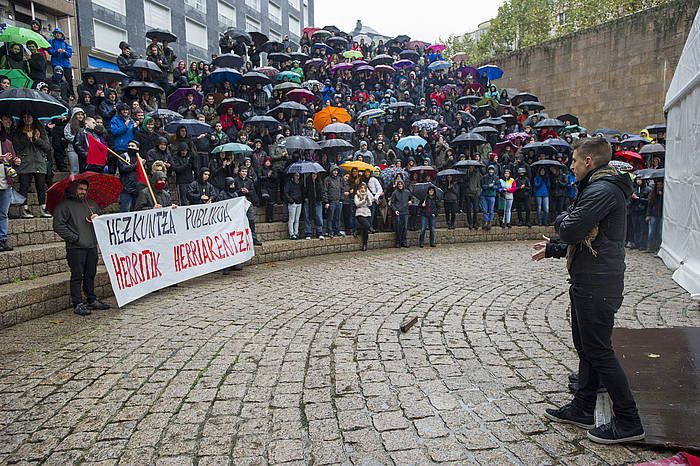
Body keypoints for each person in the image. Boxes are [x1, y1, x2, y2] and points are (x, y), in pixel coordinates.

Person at [532, 137, 644, 444]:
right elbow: (586, 237)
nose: (571, 166)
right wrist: (555, 249)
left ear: (589, 162)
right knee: (587, 346)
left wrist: (561, 223)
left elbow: (570, 228)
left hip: (598, 283)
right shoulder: (596, 188)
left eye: (574, 161)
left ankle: (629, 419)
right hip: (589, 279)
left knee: (599, 351)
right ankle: (583, 407)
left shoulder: (601, 190)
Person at [52, 179, 111, 316]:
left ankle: (91, 299)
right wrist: (75, 238)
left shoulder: (91, 204)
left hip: (91, 245)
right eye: (80, 189)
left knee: (90, 274)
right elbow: (58, 225)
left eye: (85, 189)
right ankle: (77, 302)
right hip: (76, 248)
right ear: (73, 189)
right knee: (77, 275)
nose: (83, 192)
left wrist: (97, 218)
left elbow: (101, 221)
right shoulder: (64, 205)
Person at [15, 113, 51, 218]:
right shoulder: (19, 131)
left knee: (40, 186)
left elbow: (47, 147)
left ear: (33, 118)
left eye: (29, 116)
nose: (27, 119)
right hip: (25, 162)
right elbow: (17, 146)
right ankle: (24, 209)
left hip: (39, 162)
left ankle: (43, 208)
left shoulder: (41, 130)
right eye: (24, 117)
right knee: (24, 186)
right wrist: (26, 138)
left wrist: (36, 139)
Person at [234, 166, 263, 246]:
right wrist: (240, 191)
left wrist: (247, 192)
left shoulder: (250, 181)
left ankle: (253, 238)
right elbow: (232, 191)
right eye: (243, 171)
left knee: (251, 220)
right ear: (239, 172)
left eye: (245, 172)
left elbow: (253, 192)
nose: (244, 173)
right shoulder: (235, 180)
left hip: (248, 202)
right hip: (238, 204)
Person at [47, 27, 74, 96]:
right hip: (56, 63)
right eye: (56, 33)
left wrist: (64, 52)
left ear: (62, 34)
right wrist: (57, 51)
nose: (58, 35)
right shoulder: (51, 41)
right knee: (56, 78)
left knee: (69, 79)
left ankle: (71, 94)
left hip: (66, 64)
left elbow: (69, 54)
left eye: (59, 33)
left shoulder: (66, 44)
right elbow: (50, 51)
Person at [303, 171, 325, 240]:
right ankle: (308, 233)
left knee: (319, 217)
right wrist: (305, 198)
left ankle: (319, 232)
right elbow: (303, 191)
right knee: (307, 217)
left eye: (315, 174)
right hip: (309, 201)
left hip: (318, 201)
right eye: (313, 174)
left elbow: (322, 191)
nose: (314, 175)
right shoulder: (306, 181)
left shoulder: (319, 182)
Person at [390, 178, 410, 248]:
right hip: (398, 212)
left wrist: (411, 202)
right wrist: (395, 210)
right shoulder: (394, 193)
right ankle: (398, 241)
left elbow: (412, 199)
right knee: (398, 227)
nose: (400, 185)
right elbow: (392, 203)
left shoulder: (407, 192)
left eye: (401, 184)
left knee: (405, 227)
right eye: (399, 184)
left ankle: (404, 241)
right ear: (397, 185)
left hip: (405, 212)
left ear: (403, 185)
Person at [354, 182, 373, 251]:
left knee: (365, 230)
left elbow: (370, 204)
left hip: (367, 213)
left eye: (364, 188)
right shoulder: (357, 195)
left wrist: (367, 199)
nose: (362, 189)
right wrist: (363, 201)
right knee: (367, 225)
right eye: (361, 188)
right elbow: (357, 204)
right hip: (360, 213)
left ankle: (364, 245)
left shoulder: (367, 195)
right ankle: (359, 229)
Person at [284, 172, 303, 240]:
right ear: (293, 176)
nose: (297, 177)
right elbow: (286, 192)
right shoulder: (289, 183)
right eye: (296, 175)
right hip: (293, 203)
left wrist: (301, 199)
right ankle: (291, 233)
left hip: (299, 203)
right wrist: (291, 200)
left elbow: (302, 192)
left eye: (298, 175)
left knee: (297, 219)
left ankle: (296, 232)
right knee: (292, 219)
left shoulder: (300, 183)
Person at [646, 179, 663, 253]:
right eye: (658, 185)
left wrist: (662, 196)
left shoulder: (664, 194)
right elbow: (650, 205)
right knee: (651, 232)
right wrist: (648, 215)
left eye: (660, 184)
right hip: (654, 214)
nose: (659, 186)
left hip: (661, 215)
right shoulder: (653, 194)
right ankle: (650, 247)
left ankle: (657, 248)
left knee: (659, 232)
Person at [481, 165, 498, 230]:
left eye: (492, 170)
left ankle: (489, 222)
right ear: (488, 170)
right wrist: (488, 186)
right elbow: (482, 186)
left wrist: (493, 186)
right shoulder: (484, 177)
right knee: (485, 210)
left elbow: (497, 186)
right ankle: (485, 221)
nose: (491, 171)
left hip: (492, 196)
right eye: (490, 170)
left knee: (491, 210)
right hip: (484, 195)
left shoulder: (496, 177)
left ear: (493, 170)